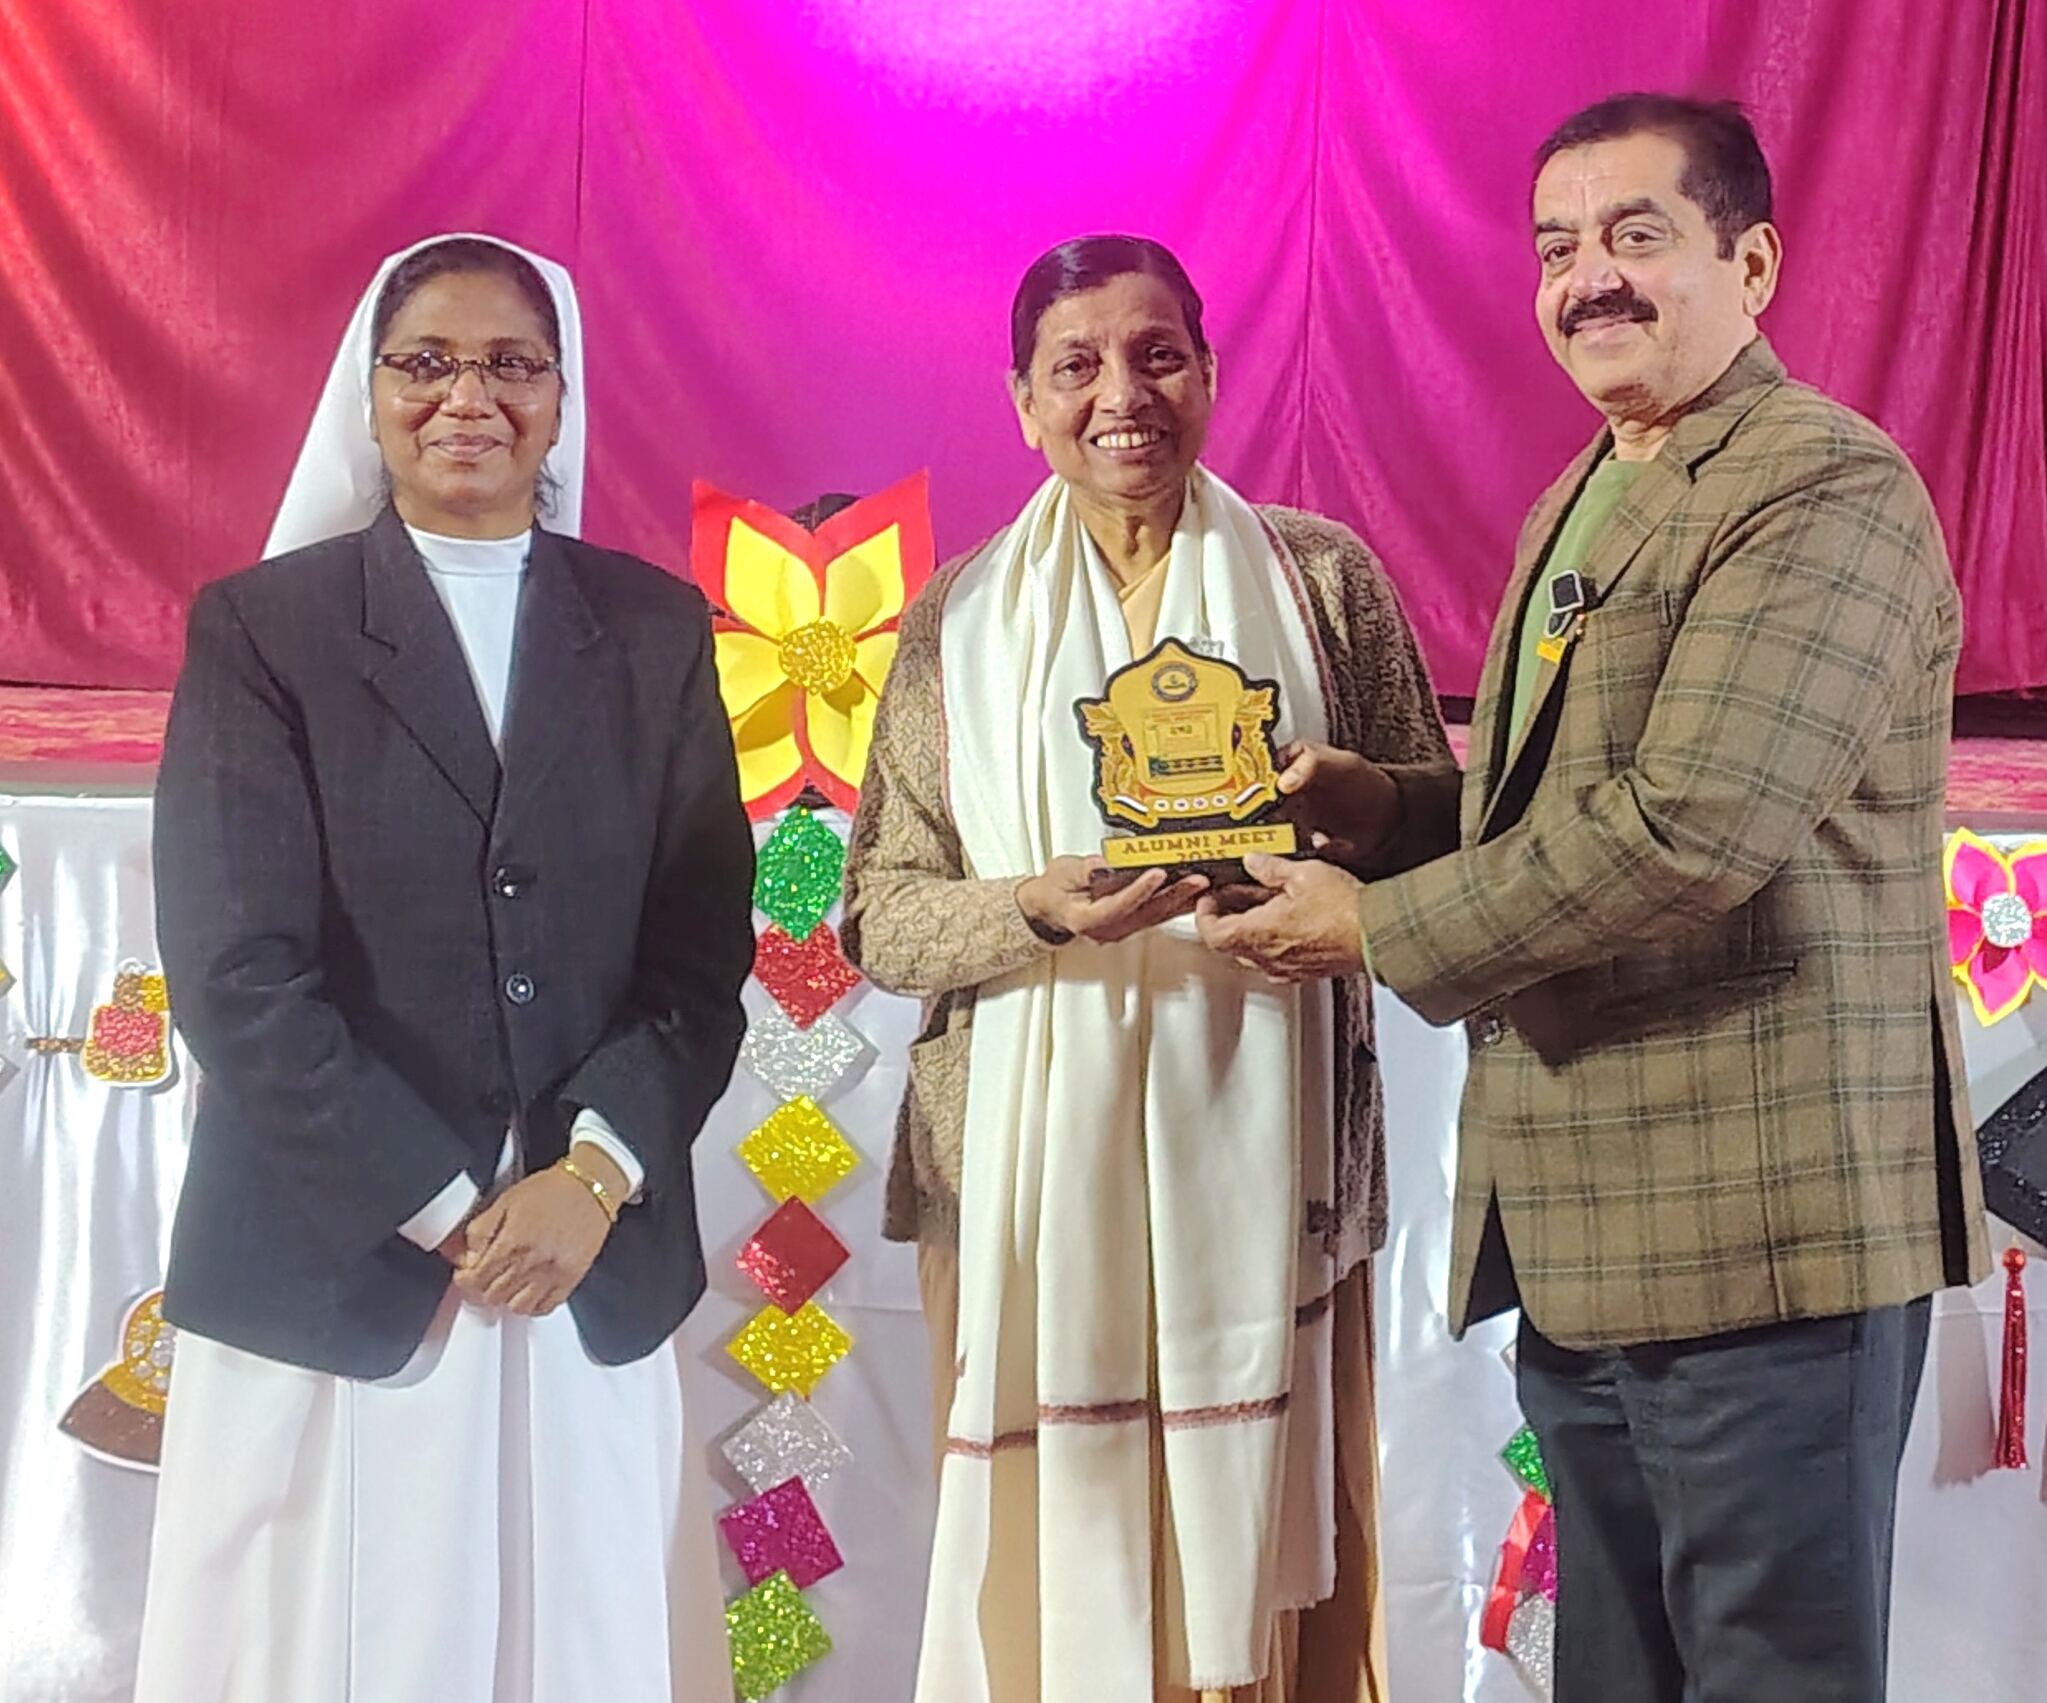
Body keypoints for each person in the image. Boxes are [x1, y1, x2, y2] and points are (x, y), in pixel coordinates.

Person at [1199, 96, 1989, 1702]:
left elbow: (1691, 830)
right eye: (1558, 248)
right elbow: (1569, 804)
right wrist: (1386, 811)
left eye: (1638, 235)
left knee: (1768, 1676)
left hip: (1767, 1242)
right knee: (1617, 1676)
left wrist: (1373, 929)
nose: (1588, 280)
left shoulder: (1823, 485)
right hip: (1593, 1230)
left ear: (1751, 264)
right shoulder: (1594, 486)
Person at [136, 233, 755, 1703]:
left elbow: (696, 951)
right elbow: (236, 974)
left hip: (584, 1262)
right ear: (369, 393)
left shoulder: (653, 629)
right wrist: (450, 1205)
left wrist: (591, 1176)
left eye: (510, 365)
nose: (467, 397)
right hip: (346, 1258)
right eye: (426, 362)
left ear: (561, 398)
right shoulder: (264, 630)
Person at [840, 234, 1454, 1703]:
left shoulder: (1320, 581)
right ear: (1023, 403)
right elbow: (878, 917)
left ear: (1212, 374)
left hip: (1283, 1179)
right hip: (1018, 1193)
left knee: (1288, 1593)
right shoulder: (954, 625)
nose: (1123, 394)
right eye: (1078, 365)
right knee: (1049, 1585)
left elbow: (1443, 833)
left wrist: (1358, 809)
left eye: (1158, 355)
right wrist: (1034, 910)